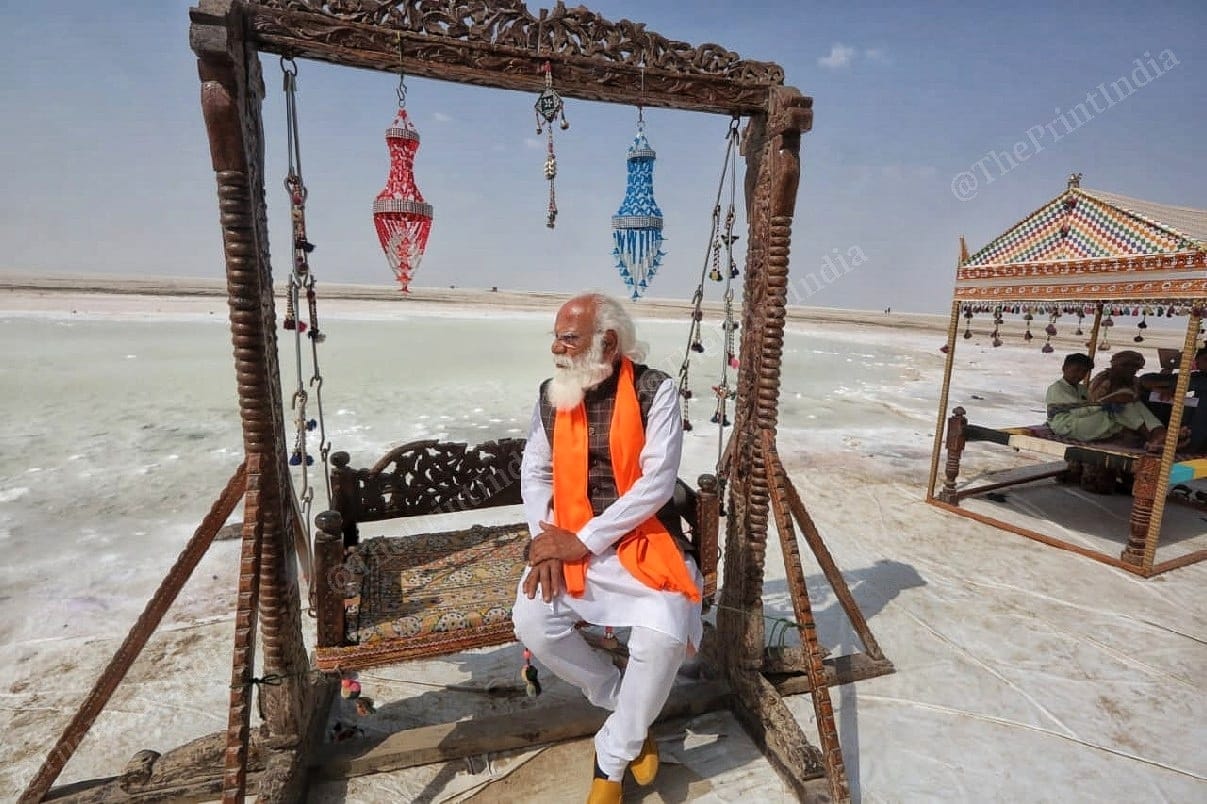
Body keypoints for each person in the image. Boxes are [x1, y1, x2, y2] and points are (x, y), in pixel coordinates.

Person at [512, 292, 703, 804]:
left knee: (662, 638)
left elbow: (656, 484)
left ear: (608, 342)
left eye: (568, 338)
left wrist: (585, 540)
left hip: (642, 537)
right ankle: (624, 708)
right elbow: (535, 470)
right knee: (533, 622)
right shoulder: (553, 393)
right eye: (555, 335)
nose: (556, 347)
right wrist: (547, 542)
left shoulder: (654, 391)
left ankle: (611, 758)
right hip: (567, 539)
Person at [1047, 352, 1176, 450]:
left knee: (1134, 404)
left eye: (1083, 372)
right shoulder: (1057, 388)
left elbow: (1139, 389)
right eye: (1076, 370)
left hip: (1085, 420)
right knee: (1122, 408)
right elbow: (1079, 411)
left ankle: (1157, 432)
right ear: (1064, 368)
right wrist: (1110, 401)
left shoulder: (1080, 388)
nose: (1079, 375)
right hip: (1067, 426)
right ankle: (1154, 436)